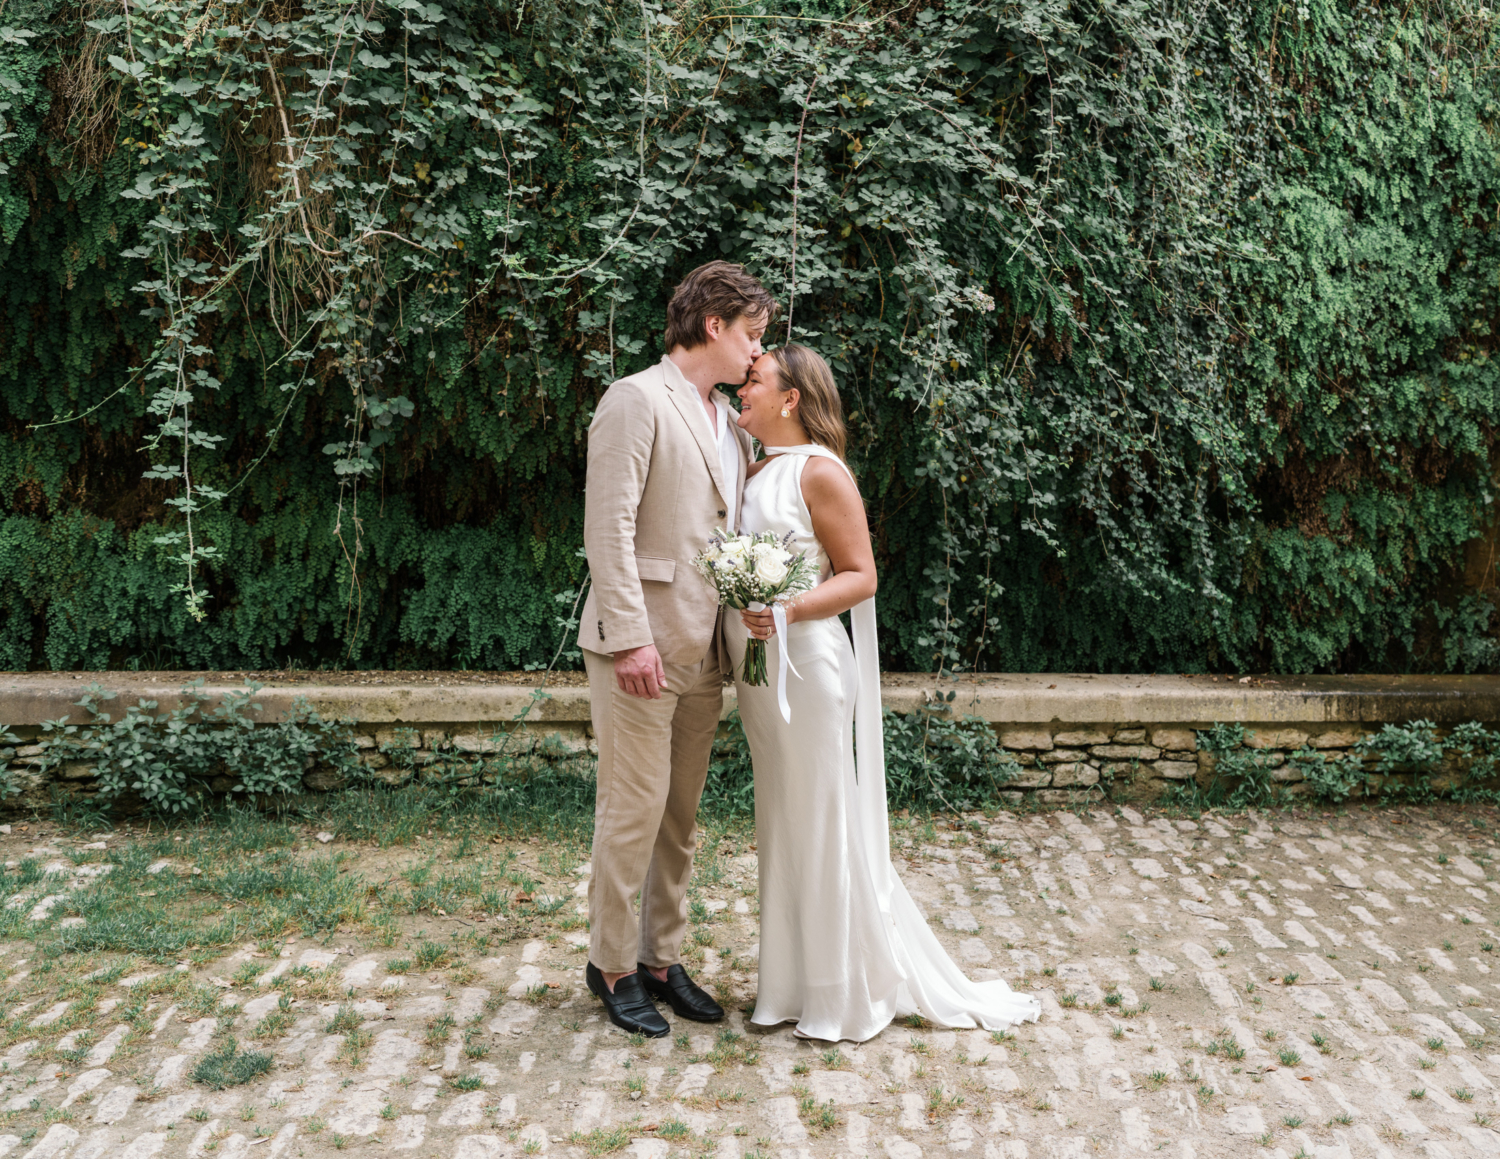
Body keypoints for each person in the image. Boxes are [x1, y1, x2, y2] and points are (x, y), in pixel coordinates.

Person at [728, 343, 1041, 1043]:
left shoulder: (819, 473)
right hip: (758, 671)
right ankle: (785, 987)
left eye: (755, 378)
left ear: (791, 399)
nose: (741, 386)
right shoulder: (750, 470)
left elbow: (860, 574)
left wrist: (788, 609)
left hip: (808, 667)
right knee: (780, 820)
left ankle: (839, 994)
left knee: (821, 819)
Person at [578, 262, 777, 1037]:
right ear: (713, 324)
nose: (759, 353)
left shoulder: (728, 416)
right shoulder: (635, 399)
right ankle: (612, 965)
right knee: (632, 809)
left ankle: (662, 958)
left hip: (707, 650)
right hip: (642, 646)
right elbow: (609, 530)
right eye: (752, 335)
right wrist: (629, 637)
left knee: (679, 816)